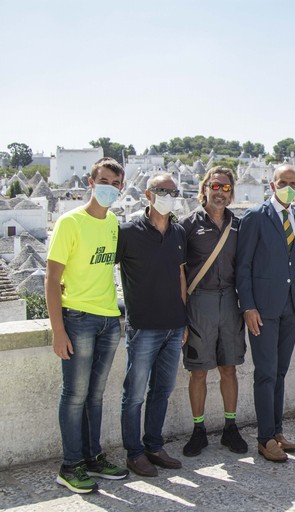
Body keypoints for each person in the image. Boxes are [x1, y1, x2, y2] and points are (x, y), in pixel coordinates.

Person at [46, 157, 128, 493]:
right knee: (75, 395)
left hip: (109, 318)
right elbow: (52, 279)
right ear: (91, 183)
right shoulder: (70, 222)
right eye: (104, 181)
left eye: (116, 183)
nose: (110, 187)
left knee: (95, 396)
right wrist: (58, 330)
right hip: (77, 318)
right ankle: (70, 465)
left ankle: (93, 457)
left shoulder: (112, 224)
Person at [236, 164, 295, 462]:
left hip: (291, 306)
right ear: (272, 185)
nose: (289, 188)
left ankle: (277, 431)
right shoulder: (256, 216)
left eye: (294, 183)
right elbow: (243, 265)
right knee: (266, 374)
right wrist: (248, 306)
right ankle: (264, 438)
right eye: (284, 182)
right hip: (263, 309)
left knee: (280, 373)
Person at [117, 173, 187, 477]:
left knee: (162, 390)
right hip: (143, 326)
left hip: (174, 325)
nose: (167, 195)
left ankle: (154, 446)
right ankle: (134, 453)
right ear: (148, 194)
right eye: (161, 190)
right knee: (134, 394)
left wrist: (184, 319)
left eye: (173, 191)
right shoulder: (128, 232)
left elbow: (181, 275)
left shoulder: (179, 232)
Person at [179, 167, 248, 457]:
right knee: (198, 371)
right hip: (199, 302)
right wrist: (180, 314)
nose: (220, 192)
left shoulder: (239, 226)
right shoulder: (187, 225)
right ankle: (199, 430)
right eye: (215, 186)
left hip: (230, 302)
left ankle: (230, 428)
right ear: (205, 187)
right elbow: (179, 272)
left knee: (229, 368)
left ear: (231, 193)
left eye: (226, 188)